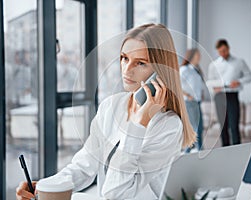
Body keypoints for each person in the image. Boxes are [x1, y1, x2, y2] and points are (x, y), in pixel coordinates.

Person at [16, 23, 196, 200]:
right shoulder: (111, 106)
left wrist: (139, 124)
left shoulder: (169, 125)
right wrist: (45, 187)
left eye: (140, 63)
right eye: (124, 58)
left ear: (160, 73)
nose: (127, 70)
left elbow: (116, 193)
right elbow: (84, 166)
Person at [208, 39, 251, 146]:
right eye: (220, 52)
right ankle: (225, 152)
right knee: (223, 127)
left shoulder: (239, 62)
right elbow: (210, 82)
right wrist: (215, 87)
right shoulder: (214, 65)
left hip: (232, 96)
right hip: (219, 97)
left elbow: (250, 76)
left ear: (228, 48)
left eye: (224, 51)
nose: (222, 54)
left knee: (234, 126)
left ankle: (238, 152)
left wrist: (239, 82)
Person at [180, 48, 204, 152]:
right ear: (192, 56)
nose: (199, 57)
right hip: (189, 102)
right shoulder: (184, 69)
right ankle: (192, 151)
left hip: (197, 102)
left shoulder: (196, 70)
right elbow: (176, 84)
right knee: (195, 129)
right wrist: (187, 95)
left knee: (199, 128)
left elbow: (198, 85)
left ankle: (196, 151)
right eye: (197, 55)